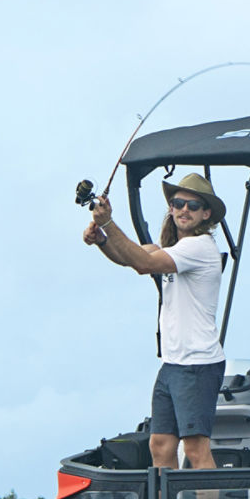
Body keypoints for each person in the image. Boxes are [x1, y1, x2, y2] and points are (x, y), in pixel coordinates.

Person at [84, 173, 226, 474]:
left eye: (193, 205)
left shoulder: (200, 248)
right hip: (172, 364)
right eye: (178, 203)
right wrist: (102, 241)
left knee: (196, 450)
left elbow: (143, 263)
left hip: (197, 365)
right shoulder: (174, 249)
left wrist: (108, 223)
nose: (184, 210)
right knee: (159, 445)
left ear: (206, 214)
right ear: (171, 208)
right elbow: (131, 257)